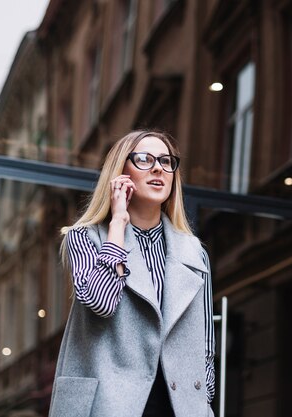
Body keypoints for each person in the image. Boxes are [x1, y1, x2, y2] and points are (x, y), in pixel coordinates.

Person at [49, 130, 215, 417]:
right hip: (108, 405)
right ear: (120, 173)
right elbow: (102, 303)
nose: (157, 168)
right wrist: (118, 224)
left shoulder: (194, 252)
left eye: (166, 161)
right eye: (143, 159)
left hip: (177, 407)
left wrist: (200, 399)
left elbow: (206, 344)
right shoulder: (86, 237)